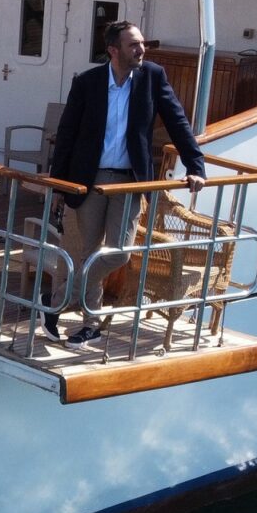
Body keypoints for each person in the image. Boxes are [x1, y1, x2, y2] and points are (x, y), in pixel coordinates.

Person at [47, 21, 207, 343]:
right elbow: (66, 135)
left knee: (118, 252)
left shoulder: (153, 77)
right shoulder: (87, 83)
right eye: (133, 44)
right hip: (90, 179)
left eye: (142, 43)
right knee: (90, 252)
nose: (141, 49)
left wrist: (196, 165)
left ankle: (57, 303)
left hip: (129, 182)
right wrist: (58, 186)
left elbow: (177, 121)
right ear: (113, 50)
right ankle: (90, 324)